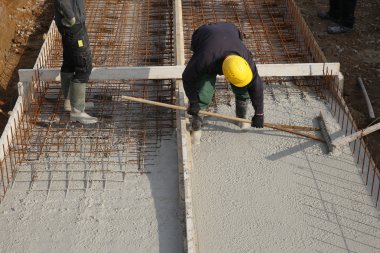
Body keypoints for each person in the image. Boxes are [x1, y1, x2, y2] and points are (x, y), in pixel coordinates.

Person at [182, 23, 264, 137]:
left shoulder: (246, 60)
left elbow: (256, 85)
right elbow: (187, 77)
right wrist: (194, 102)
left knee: (243, 86)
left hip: (230, 30)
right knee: (204, 89)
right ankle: (197, 124)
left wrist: (259, 113)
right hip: (204, 35)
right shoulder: (205, 58)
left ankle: (241, 118)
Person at [54, 0, 97, 124]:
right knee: (84, 66)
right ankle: (77, 111)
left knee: (69, 62)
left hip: (70, 25)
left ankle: (69, 102)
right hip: (73, 26)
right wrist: (71, 17)